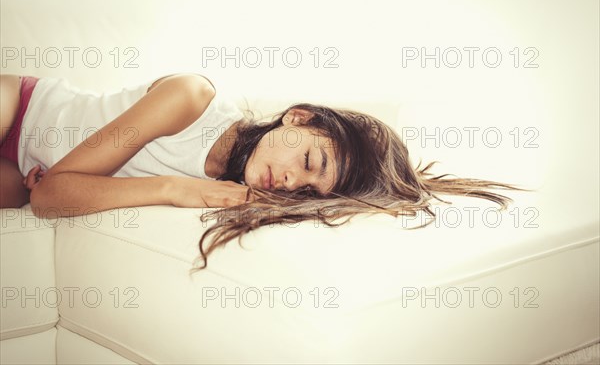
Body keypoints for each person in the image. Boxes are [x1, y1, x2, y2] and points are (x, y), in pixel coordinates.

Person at [0, 73, 529, 272]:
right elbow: (56, 195)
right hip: (20, 109)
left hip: (21, 174)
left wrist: (57, 187)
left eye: (309, 189)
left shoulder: (241, 191)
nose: (291, 182)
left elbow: (47, 197)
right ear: (299, 117)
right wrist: (174, 189)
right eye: (309, 160)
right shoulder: (190, 99)